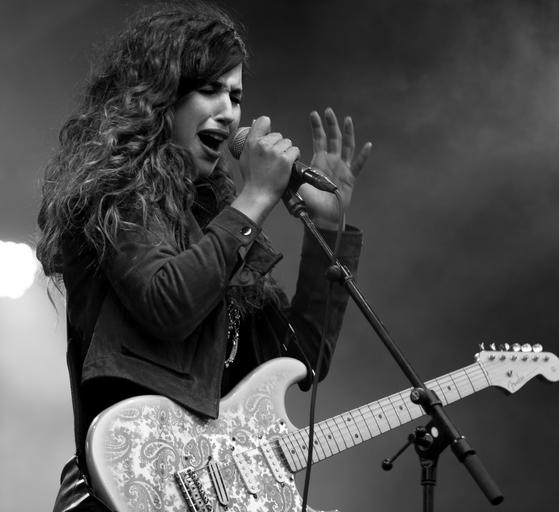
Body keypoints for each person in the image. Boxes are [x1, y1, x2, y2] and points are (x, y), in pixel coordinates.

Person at [37, 2, 372, 511]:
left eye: (236, 95)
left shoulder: (217, 219)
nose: (230, 112)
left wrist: (327, 226)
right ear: (159, 96)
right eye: (211, 89)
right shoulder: (114, 195)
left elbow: (300, 357)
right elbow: (167, 304)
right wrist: (256, 197)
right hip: (122, 492)